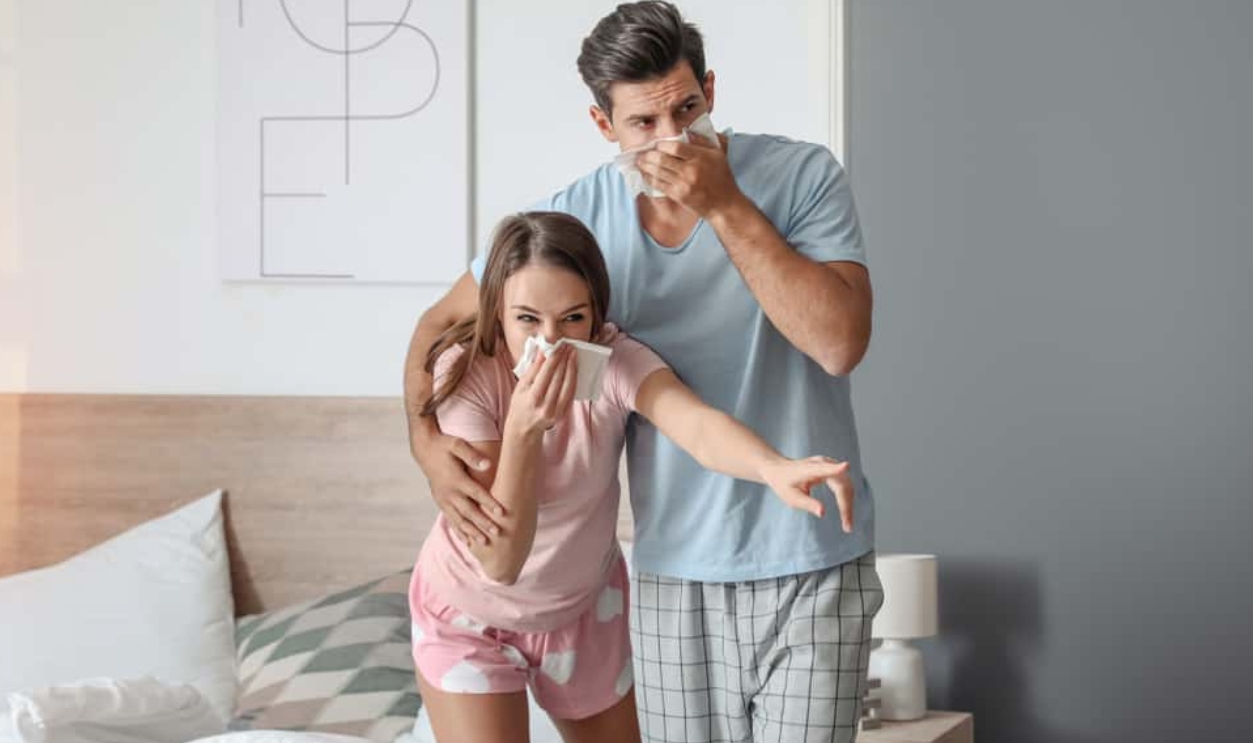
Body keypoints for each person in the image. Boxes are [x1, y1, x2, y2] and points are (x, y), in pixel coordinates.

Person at [404, 3, 883, 741]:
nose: (671, 141)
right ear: (605, 127)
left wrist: (722, 203)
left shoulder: (801, 175)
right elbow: (442, 326)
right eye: (642, 124)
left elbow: (837, 345)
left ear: (710, 91)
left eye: (686, 111)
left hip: (809, 550)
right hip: (669, 568)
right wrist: (424, 442)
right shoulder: (571, 224)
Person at [410, 211, 855, 743]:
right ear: (497, 316)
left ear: (596, 317)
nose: (551, 342)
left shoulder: (614, 362)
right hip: (470, 612)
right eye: (527, 320)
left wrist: (773, 467)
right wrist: (525, 431)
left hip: (582, 608)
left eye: (572, 319)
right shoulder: (468, 374)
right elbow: (500, 561)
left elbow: (695, 424)